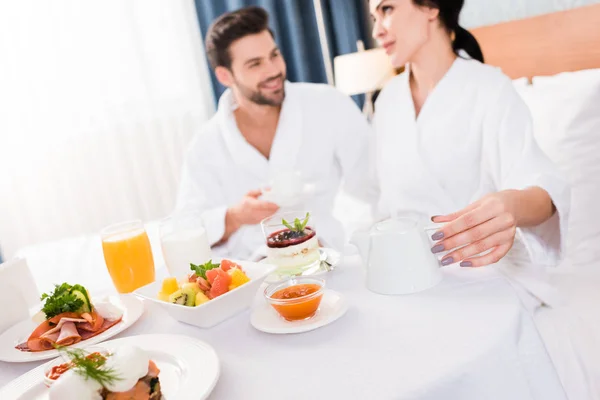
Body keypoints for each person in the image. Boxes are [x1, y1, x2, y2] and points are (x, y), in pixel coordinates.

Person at [368, 1, 600, 398]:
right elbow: (384, 203)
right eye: (373, 17)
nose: (377, 29)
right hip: (408, 275)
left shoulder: (489, 88)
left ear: (430, 8)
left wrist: (508, 206)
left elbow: (541, 189)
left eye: (387, 9)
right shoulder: (385, 101)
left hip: (480, 271)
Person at [175, 6, 376, 260]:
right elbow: (184, 230)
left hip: (326, 257)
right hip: (253, 276)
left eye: (274, 55)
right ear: (225, 75)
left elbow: (375, 184)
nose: (273, 70)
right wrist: (235, 216)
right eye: (255, 64)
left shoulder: (328, 104)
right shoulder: (205, 145)